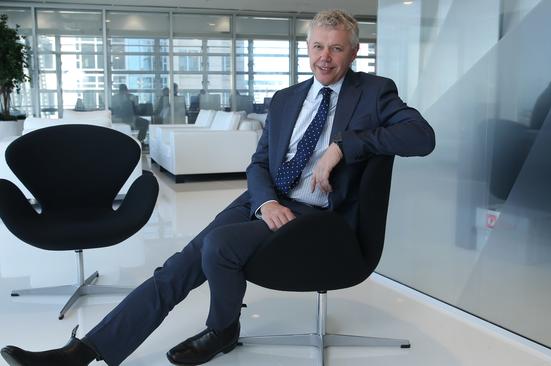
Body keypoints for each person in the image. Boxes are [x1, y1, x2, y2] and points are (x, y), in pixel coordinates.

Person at [0, 9, 435, 366]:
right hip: (267, 198)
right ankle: (85, 350)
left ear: (354, 51)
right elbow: (260, 162)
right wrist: (263, 200)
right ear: (307, 48)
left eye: (336, 48)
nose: (325, 58)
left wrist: (344, 145)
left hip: (317, 214)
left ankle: (222, 328)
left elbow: (422, 136)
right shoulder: (286, 98)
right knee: (178, 265)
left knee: (220, 246)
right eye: (318, 46)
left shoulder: (375, 92)